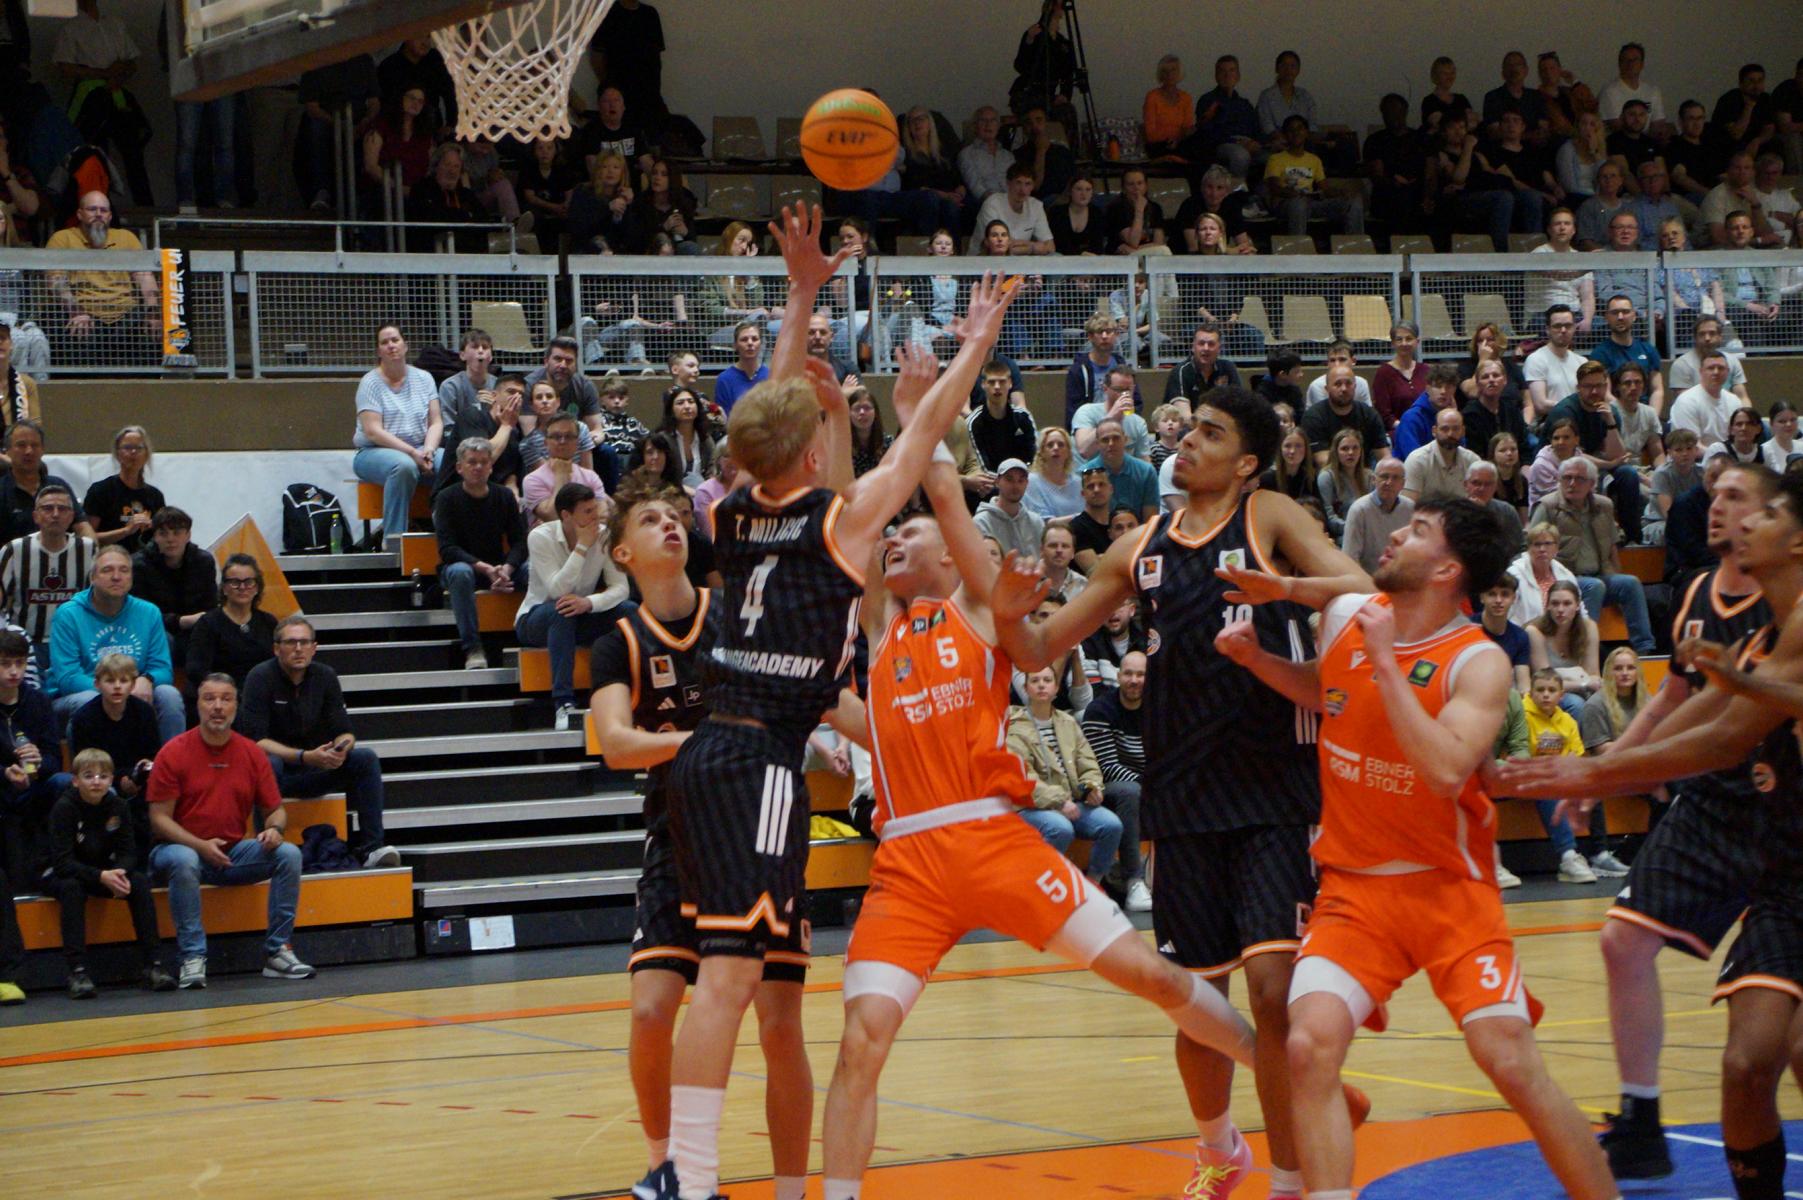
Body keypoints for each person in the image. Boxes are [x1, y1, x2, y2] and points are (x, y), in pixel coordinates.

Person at [660, 205, 1015, 1200]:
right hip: (759, 759)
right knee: (728, 979)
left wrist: (802, 294)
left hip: (710, 757)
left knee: (770, 995)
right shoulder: (841, 523)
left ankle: (778, 1186)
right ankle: (683, 1176)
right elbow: (926, 435)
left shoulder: (735, 509)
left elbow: (765, 414)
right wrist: (975, 343)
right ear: (815, 455)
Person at [819, 459, 1261, 1200]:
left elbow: (949, 507)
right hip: (907, 865)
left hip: (989, 840)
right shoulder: (882, 625)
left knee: (1152, 976)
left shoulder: (977, 609)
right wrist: (835, 413)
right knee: (859, 1044)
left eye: (911, 532)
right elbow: (848, 513)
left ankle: (1267, 1087)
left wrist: (934, 440)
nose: (893, 538)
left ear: (954, 555)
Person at [991, 386, 1372, 1200]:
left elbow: (1356, 584)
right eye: (1188, 428)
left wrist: (1285, 591)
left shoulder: (1267, 515)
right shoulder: (1140, 545)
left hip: (1274, 789)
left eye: (1210, 432)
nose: (1189, 440)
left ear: (1245, 462)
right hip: (1182, 794)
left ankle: (1289, 1179)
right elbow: (1040, 647)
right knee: (1199, 1000)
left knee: (1273, 994)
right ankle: (1217, 1147)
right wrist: (1007, 611)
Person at [1217, 497, 1618, 1199]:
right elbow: (1327, 690)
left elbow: (1444, 768)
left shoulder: (1477, 661)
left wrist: (1384, 663)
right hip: (1353, 893)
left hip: (1447, 891)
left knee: (1509, 1061)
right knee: (1307, 1046)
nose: (1397, 532)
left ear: (1446, 569)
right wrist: (1257, 660)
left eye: (1419, 530)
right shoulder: (1349, 617)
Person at [1497, 465, 1803, 1188]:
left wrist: (1593, 777)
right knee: (1744, 1059)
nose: (1731, 516)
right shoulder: (1730, 616)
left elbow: (1728, 731)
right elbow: (1700, 716)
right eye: (1719, 499)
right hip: (1769, 850)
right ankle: (1642, 1119)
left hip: (1765, 817)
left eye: (1752, 507)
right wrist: (1603, 770)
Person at [588, 477, 813, 1200]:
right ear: (623, 553)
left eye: (676, 517)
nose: (669, 526)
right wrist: (707, 741)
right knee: (651, 1009)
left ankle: (791, 1190)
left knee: (778, 1024)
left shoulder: (735, 616)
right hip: (677, 832)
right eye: (650, 520)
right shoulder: (617, 643)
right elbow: (616, 744)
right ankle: (668, 1166)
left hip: (759, 828)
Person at [147, 672, 314, 990]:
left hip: (232, 852)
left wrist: (274, 828)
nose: (217, 706)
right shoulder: (173, 751)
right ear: (198, 705)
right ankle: (192, 957)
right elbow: (159, 820)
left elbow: (276, 810)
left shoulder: (251, 752)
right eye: (209, 698)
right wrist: (200, 846)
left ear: (236, 706)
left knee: (288, 854)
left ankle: (278, 951)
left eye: (226, 699)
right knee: (184, 859)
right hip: (177, 851)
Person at [240, 614, 397, 873]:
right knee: (269, 762)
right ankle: (266, 849)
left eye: (304, 642)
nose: (298, 648)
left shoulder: (325, 676)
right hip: (277, 774)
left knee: (365, 758)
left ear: (314, 648)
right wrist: (303, 756)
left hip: (316, 768)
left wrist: (340, 749)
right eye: (291, 642)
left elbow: (345, 731)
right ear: (276, 648)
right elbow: (256, 741)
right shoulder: (260, 677)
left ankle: (371, 849)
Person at [48, 747, 174, 997]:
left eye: (103, 776)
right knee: (72, 888)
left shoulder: (118, 806)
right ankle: (77, 971)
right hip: (64, 871)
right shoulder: (64, 808)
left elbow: (129, 852)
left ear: (111, 780)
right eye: (88, 776)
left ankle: (154, 965)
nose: (96, 782)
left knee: (139, 882)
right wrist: (101, 876)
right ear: (75, 780)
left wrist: (119, 871)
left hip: (103, 871)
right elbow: (63, 863)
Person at [516, 482, 630, 730]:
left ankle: (633, 691)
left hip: (581, 614)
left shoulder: (605, 535)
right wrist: (582, 547)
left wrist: (589, 602)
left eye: (595, 509)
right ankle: (563, 703)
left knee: (629, 611)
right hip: (536, 618)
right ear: (566, 515)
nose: (596, 516)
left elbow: (621, 588)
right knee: (562, 609)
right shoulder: (540, 537)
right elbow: (557, 590)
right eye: (587, 511)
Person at [48, 545, 183, 741]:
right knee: (88, 699)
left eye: (124, 570)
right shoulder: (68, 615)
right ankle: (90, 761)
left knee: (169, 695)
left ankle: (169, 760)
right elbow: (68, 678)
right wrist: (114, 691)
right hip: (77, 697)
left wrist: (147, 679)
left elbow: (163, 670)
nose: (116, 577)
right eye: (107, 570)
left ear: (131, 577)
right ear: (92, 578)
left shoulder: (149, 612)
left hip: (132, 690)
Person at [1007, 663, 1120, 874]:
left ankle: (1093, 883)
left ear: (1056, 688)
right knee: (1060, 828)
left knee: (1112, 825)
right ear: (1025, 688)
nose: (1041, 685)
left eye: (1047, 680)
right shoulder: (1014, 726)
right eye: (1035, 681)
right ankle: (1039, 882)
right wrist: (1059, 801)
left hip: (1071, 802)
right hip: (1031, 807)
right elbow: (1023, 777)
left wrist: (1091, 787)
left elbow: (1088, 762)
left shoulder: (1068, 722)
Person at [433, 438, 527, 671]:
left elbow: (520, 542)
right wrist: (484, 567)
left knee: (533, 569)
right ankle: (472, 647)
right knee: (460, 573)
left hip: (499, 567)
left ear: (491, 467)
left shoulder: (504, 496)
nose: (478, 467)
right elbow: (447, 549)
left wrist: (508, 568)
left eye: (484, 462)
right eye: (472, 462)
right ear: (459, 467)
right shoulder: (446, 498)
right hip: (463, 567)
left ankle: (531, 635)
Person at [353, 324, 443, 550]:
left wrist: (429, 450)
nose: (391, 346)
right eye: (384, 342)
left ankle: (448, 534)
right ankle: (393, 540)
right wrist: (412, 452)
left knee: (452, 461)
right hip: (374, 452)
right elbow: (373, 431)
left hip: (421, 448)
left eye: (395, 340)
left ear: (405, 345)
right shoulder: (370, 383)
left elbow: (436, 422)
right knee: (403, 466)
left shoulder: (424, 378)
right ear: (378, 351)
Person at [44, 191, 159, 365]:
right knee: (66, 324)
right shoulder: (62, 238)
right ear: (79, 214)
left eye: (103, 210)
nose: (98, 214)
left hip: (126, 313)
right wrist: (75, 310)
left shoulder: (126, 238)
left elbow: (145, 277)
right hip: (83, 311)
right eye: (92, 209)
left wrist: (153, 312)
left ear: (110, 216)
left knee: (154, 326)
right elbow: (56, 281)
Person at [1080, 647, 1152, 909]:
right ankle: (1134, 882)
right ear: (1118, 676)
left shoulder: (1158, 709)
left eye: (1141, 675)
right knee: (1130, 791)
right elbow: (1107, 766)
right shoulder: (1100, 710)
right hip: (1105, 789)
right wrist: (1153, 787)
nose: (1134, 680)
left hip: (1147, 784)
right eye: (1129, 674)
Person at [1520, 664, 1604, 883]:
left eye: (1551, 690)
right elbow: (1522, 755)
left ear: (1561, 695)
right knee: (1547, 787)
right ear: (1531, 692)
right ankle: (1568, 856)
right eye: (1540, 690)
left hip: (1560, 776)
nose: (1546, 695)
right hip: (1528, 776)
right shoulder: (1522, 716)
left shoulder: (1567, 721)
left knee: (1593, 785)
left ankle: (1601, 854)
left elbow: (1576, 756)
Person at [0, 483, 95, 674]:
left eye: (63, 509)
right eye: (48, 508)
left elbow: (97, 598)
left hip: (74, 642)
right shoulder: (14, 550)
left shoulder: (89, 549)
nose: (55, 514)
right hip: (26, 644)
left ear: (72, 516)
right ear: (35, 516)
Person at [129, 506, 215, 668]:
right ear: (155, 536)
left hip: (196, 626)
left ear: (188, 535)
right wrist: (180, 621)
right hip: (157, 628)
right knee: (165, 640)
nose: (170, 539)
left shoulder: (204, 561)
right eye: (163, 533)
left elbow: (211, 605)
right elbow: (141, 614)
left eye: (177, 533)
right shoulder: (138, 565)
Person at [184, 553, 275, 697]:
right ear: (224, 588)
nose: (242, 587)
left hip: (262, 697)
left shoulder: (269, 622)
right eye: (235, 582)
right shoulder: (208, 623)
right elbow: (196, 669)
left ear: (257, 587)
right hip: (220, 697)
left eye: (249, 582)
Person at [1265, 115, 1361, 236]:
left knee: (1353, 202)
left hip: (1310, 203)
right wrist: (1292, 193)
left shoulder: (1314, 160)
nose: (1296, 133)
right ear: (1285, 135)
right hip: (1287, 203)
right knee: (1298, 204)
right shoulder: (1275, 159)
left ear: (1306, 133)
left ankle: (1355, 245)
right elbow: (1274, 187)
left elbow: (1324, 189)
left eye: (1299, 129)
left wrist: (1340, 192)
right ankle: (1298, 245)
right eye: (1291, 130)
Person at [78, 425, 161, 554]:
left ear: (146, 454)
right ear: (117, 454)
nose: (133, 452)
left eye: (139, 448)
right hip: (110, 559)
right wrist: (126, 531)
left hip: (146, 562)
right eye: (127, 447)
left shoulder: (155, 495)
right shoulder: (100, 491)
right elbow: (87, 539)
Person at [1587, 295, 1664, 416]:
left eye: (1625, 312)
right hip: (1616, 416)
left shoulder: (1648, 350)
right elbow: (1606, 394)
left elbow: (1657, 390)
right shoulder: (1600, 354)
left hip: (1646, 415)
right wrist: (1628, 419)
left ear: (1634, 316)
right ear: (1607, 317)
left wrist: (1651, 419)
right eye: (1615, 313)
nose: (1620, 317)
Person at [1301, 364, 1387, 469]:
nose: (1344, 388)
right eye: (1337, 384)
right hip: (1328, 475)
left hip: (1364, 473)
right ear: (1327, 389)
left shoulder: (1369, 414)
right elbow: (1323, 461)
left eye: (1348, 383)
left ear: (1355, 387)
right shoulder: (1313, 417)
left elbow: (1384, 456)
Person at [1080, 417, 1159, 522]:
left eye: (1116, 438)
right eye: (1105, 440)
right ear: (1097, 444)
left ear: (1125, 440)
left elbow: (1151, 520)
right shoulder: (1084, 473)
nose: (1111, 444)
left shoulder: (1146, 472)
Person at [1342, 458, 1412, 574]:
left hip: (1400, 578)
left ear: (1403, 484)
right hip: (1368, 579)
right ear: (1374, 480)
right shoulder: (1359, 510)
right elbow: (1350, 558)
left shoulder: (1410, 508)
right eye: (1384, 476)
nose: (1389, 482)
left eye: (1395, 478)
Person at [1523, 305, 1588, 423]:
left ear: (1574, 328)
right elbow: (1541, 405)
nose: (1563, 330)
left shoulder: (1582, 362)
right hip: (1550, 423)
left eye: (1568, 326)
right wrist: (1574, 408)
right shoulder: (1536, 360)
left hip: (1580, 422)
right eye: (1557, 326)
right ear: (1547, 329)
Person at [1669, 349, 1748, 447]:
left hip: (1729, 454)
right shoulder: (1686, 401)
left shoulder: (1734, 401)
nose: (1716, 372)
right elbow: (1691, 445)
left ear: (1727, 372)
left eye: (1721, 368)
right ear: (1701, 371)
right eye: (1710, 368)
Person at [1402, 408, 1479, 505]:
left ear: (1463, 431)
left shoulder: (1472, 460)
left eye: (1456, 429)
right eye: (1444, 429)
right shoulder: (1417, 460)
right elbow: (1408, 505)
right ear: (1434, 431)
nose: (1450, 434)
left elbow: (1480, 501)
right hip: (1426, 514)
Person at [1669, 315, 1751, 404]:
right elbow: (1685, 403)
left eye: (1712, 333)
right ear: (1695, 338)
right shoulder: (1682, 364)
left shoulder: (1732, 361)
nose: (1707, 338)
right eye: (1702, 334)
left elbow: (1742, 398)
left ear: (1720, 337)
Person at [974, 459, 1043, 563]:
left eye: (1021, 480)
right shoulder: (981, 522)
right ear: (997, 482)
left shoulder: (1036, 522)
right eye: (1009, 479)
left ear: (1027, 483)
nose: (1015, 486)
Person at [1370, 323, 1426, 434]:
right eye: (1399, 339)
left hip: (1425, 430)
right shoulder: (1383, 373)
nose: (1404, 343)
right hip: (1397, 432)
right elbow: (1383, 413)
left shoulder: (1425, 370)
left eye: (1409, 339)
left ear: (1417, 342)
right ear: (1393, 343)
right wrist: (1405, 428)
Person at [1316, 429, 1371, 541]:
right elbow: (1329, 516)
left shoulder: (1369, 476)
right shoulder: (1326, 477)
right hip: (1341, 535)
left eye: (1355, 448)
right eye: (1345, 449)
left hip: (1367, 532)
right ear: (1336, 452)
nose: (1351, 452)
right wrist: (1355, 528)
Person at [1598, 43, 1666, 132]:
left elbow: (1658, 123)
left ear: (1642, 64)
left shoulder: (1653, 91)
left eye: (1635, 60)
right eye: (1626, 60)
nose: (1630, 63)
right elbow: (1616, 126)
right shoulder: (1609, 92)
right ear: (1619, 63)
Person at [1144, 54, 1195, 159]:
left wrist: (1178, 140)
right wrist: (1170, 140)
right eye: (1165, 71)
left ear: (1179, 73)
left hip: (1180, 143)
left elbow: (1187, 127)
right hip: (1159, 145)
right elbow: (1150, 133)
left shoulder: (1186, 98)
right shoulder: (1152, 97)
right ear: (1160, 74)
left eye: (1173, 70)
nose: (1169, 75)